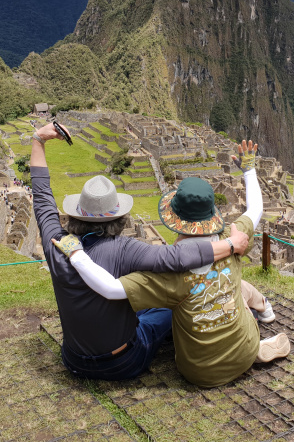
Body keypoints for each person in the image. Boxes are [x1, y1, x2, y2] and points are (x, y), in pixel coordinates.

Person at [31, 122, 250, 380]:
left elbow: (42, 196)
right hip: (123, 362)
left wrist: (38, 140)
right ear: (119, 218)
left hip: (74, 360)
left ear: (77, 214)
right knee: (170, 308)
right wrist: (231, 245)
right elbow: (175, 258)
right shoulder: (124, 249)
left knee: (142, 304)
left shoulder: (55, 244)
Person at [66, 140, 291, 387]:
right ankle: (254, 337)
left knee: (178, 305)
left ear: (175, 220)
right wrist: (249, 170)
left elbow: (110, 288)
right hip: (244, 350)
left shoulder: (168, 275)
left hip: (199, 373)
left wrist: (77, 256)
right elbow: (256, 209)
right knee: (234, 286)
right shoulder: (234, 239)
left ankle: (240, 337)